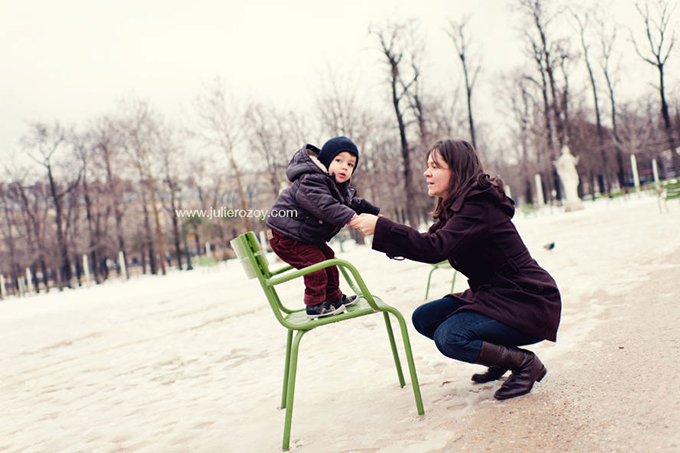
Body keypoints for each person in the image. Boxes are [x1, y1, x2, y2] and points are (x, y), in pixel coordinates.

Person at [349, 139, 561, 400]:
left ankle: (525, 363)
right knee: (425, 318)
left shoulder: (478, 206)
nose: (427, 173)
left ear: (457, 171)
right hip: (494, 295)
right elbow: (427, 241)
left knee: (450, 337)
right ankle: (501, 357)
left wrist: (382, 229)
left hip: (525, 299)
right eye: (428, 165)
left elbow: (434, 248)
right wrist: (381, 224)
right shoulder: (458, 207)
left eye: (435, 166)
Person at [266, 136, 380, 319]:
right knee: (316, 264)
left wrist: (374, 213)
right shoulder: (311, 180)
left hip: (302, 237)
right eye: (339, 160)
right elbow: (325, 206)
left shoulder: (335, 187)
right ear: (325, 162)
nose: (345, 167)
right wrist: (351, 218)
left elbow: (351, 203)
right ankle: (315, 305)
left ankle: (334, 298)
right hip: (285, 237)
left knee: (329, 259)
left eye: (351, 165)